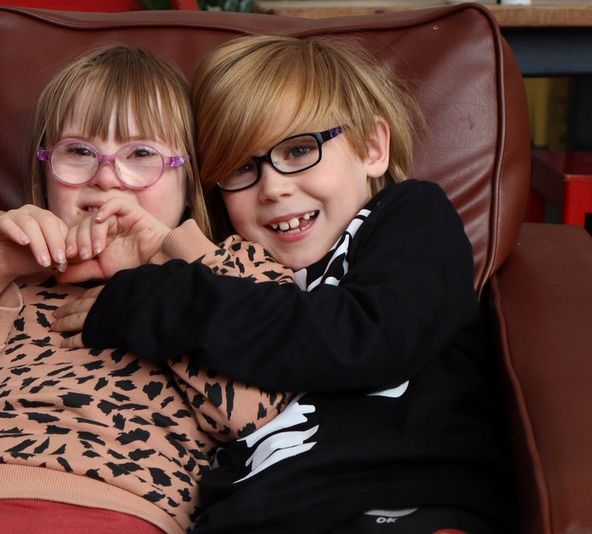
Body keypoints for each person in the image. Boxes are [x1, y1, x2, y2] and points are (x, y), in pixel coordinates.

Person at [47, 36, 515, 533]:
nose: (273, 188)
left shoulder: (408, 218)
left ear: (373, 148)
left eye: (299, 149)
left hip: (399, 500)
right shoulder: (227, 261)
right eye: (243, 168)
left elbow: (369, 336)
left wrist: (152, 300)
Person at [0, 45, 293, 534]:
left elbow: (257, 418)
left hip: (112, 507)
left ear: (187, 174)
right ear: (45, 170)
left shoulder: (228, 268)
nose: (106, 178)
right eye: (79, 152)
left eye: (142, 154)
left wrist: (165, 261)